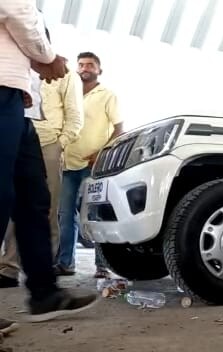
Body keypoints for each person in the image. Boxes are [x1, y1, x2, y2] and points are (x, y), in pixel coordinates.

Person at [0, 0, 97, 324]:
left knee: (33, 200)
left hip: (18, 103)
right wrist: (47, 57)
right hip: (2, 92)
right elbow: (15, 10)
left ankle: (45, 294)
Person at [0, 25, 84, 289]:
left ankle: (44, 283)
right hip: (12, 118)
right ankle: (10, 268)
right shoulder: (21, 57)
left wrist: (60, 144)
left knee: (40, 205)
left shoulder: (65, 75)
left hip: (41, 137)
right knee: (10, 201)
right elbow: (19, 14)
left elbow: (74, 117)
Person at [56, 51, 123, 279]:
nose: (85, 68)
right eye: (81, 64)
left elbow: (119, 129)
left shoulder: (108, 95)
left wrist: (102, 153)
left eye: (90, 65)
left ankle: (101, 266)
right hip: (68, 164)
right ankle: (65, 263)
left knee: (95, 214)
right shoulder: (69, 93)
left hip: (94, 165)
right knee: (65, 214)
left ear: (99, 70)